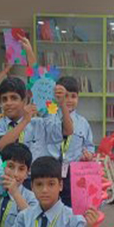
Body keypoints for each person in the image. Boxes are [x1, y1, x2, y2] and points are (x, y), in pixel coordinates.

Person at [43, 76, 93, 207]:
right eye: (65, 96)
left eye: (73, 96)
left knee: (72, 206)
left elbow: (89, 146)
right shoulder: (50, 117)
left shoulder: (83, 123)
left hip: (73, 171)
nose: (69, 100)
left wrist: (88, 155)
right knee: (51, 205)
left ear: (78, 98)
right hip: (51, 170)